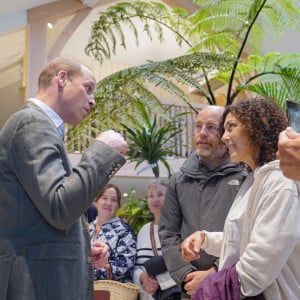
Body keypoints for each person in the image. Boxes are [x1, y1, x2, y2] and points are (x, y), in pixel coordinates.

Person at [0, 57, 128, 300]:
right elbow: (60, 206)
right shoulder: (32, 123)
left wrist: (79, 248)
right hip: (36, 283)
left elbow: (37, 217)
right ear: (61, 78)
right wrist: (100, 151)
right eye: (87, 88)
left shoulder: (38, 126)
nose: (92, 100)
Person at [181, 97, 300, 299]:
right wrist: (205, 238)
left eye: (231, 127)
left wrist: (211, 287)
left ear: (257, 126)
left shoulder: (279, 181)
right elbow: (243, 241)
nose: (224, 137)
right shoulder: (254, 180)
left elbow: (259, 265)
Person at [158, 105, 247, 297]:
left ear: (226, 134)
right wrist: (186, 276)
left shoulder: (245, 177)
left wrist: (213, 274)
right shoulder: (178, 180)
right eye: (198, 126)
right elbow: (168, 234)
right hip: (191, 289)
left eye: (211, 127)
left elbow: (248, 234)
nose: (202, 133)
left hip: (231, 285)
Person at [133, 179, 181, 300]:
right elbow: (136, 265)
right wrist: (142, 277)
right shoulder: (144, 230)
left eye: (160, 195)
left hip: (173, 294)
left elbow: (187, 263)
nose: (155, 199)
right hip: (147, 296)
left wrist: (161, 281)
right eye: (151, 196)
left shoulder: (180, 228)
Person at [89, 183, 137, 282]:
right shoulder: (87, 229)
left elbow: (125, 266)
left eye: (113, 200)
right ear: (96, 201)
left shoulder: (125, 231)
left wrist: (101, 266)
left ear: (118, 205)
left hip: (111, 292)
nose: (108, 203)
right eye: (104, 198)